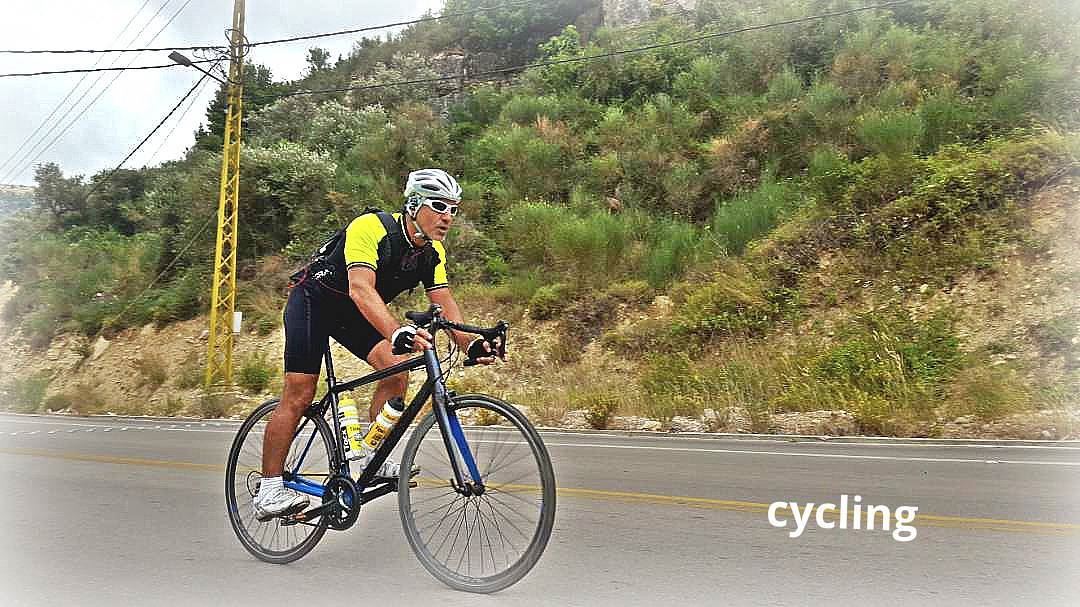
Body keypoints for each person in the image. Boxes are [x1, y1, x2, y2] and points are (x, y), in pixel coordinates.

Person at [253, 168, 499, 521]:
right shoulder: (371, 228)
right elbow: (361, 288)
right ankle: (270, 489)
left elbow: (444, 304)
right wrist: (395, 330)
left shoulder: (433, 254)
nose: (447, 216)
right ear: (414, 204)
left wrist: (470, 344)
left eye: (453, 209)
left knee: (397, 372)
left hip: (352, 313)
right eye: (439, 206)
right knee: (300, 393)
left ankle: (370, 456)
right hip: (314, 302)